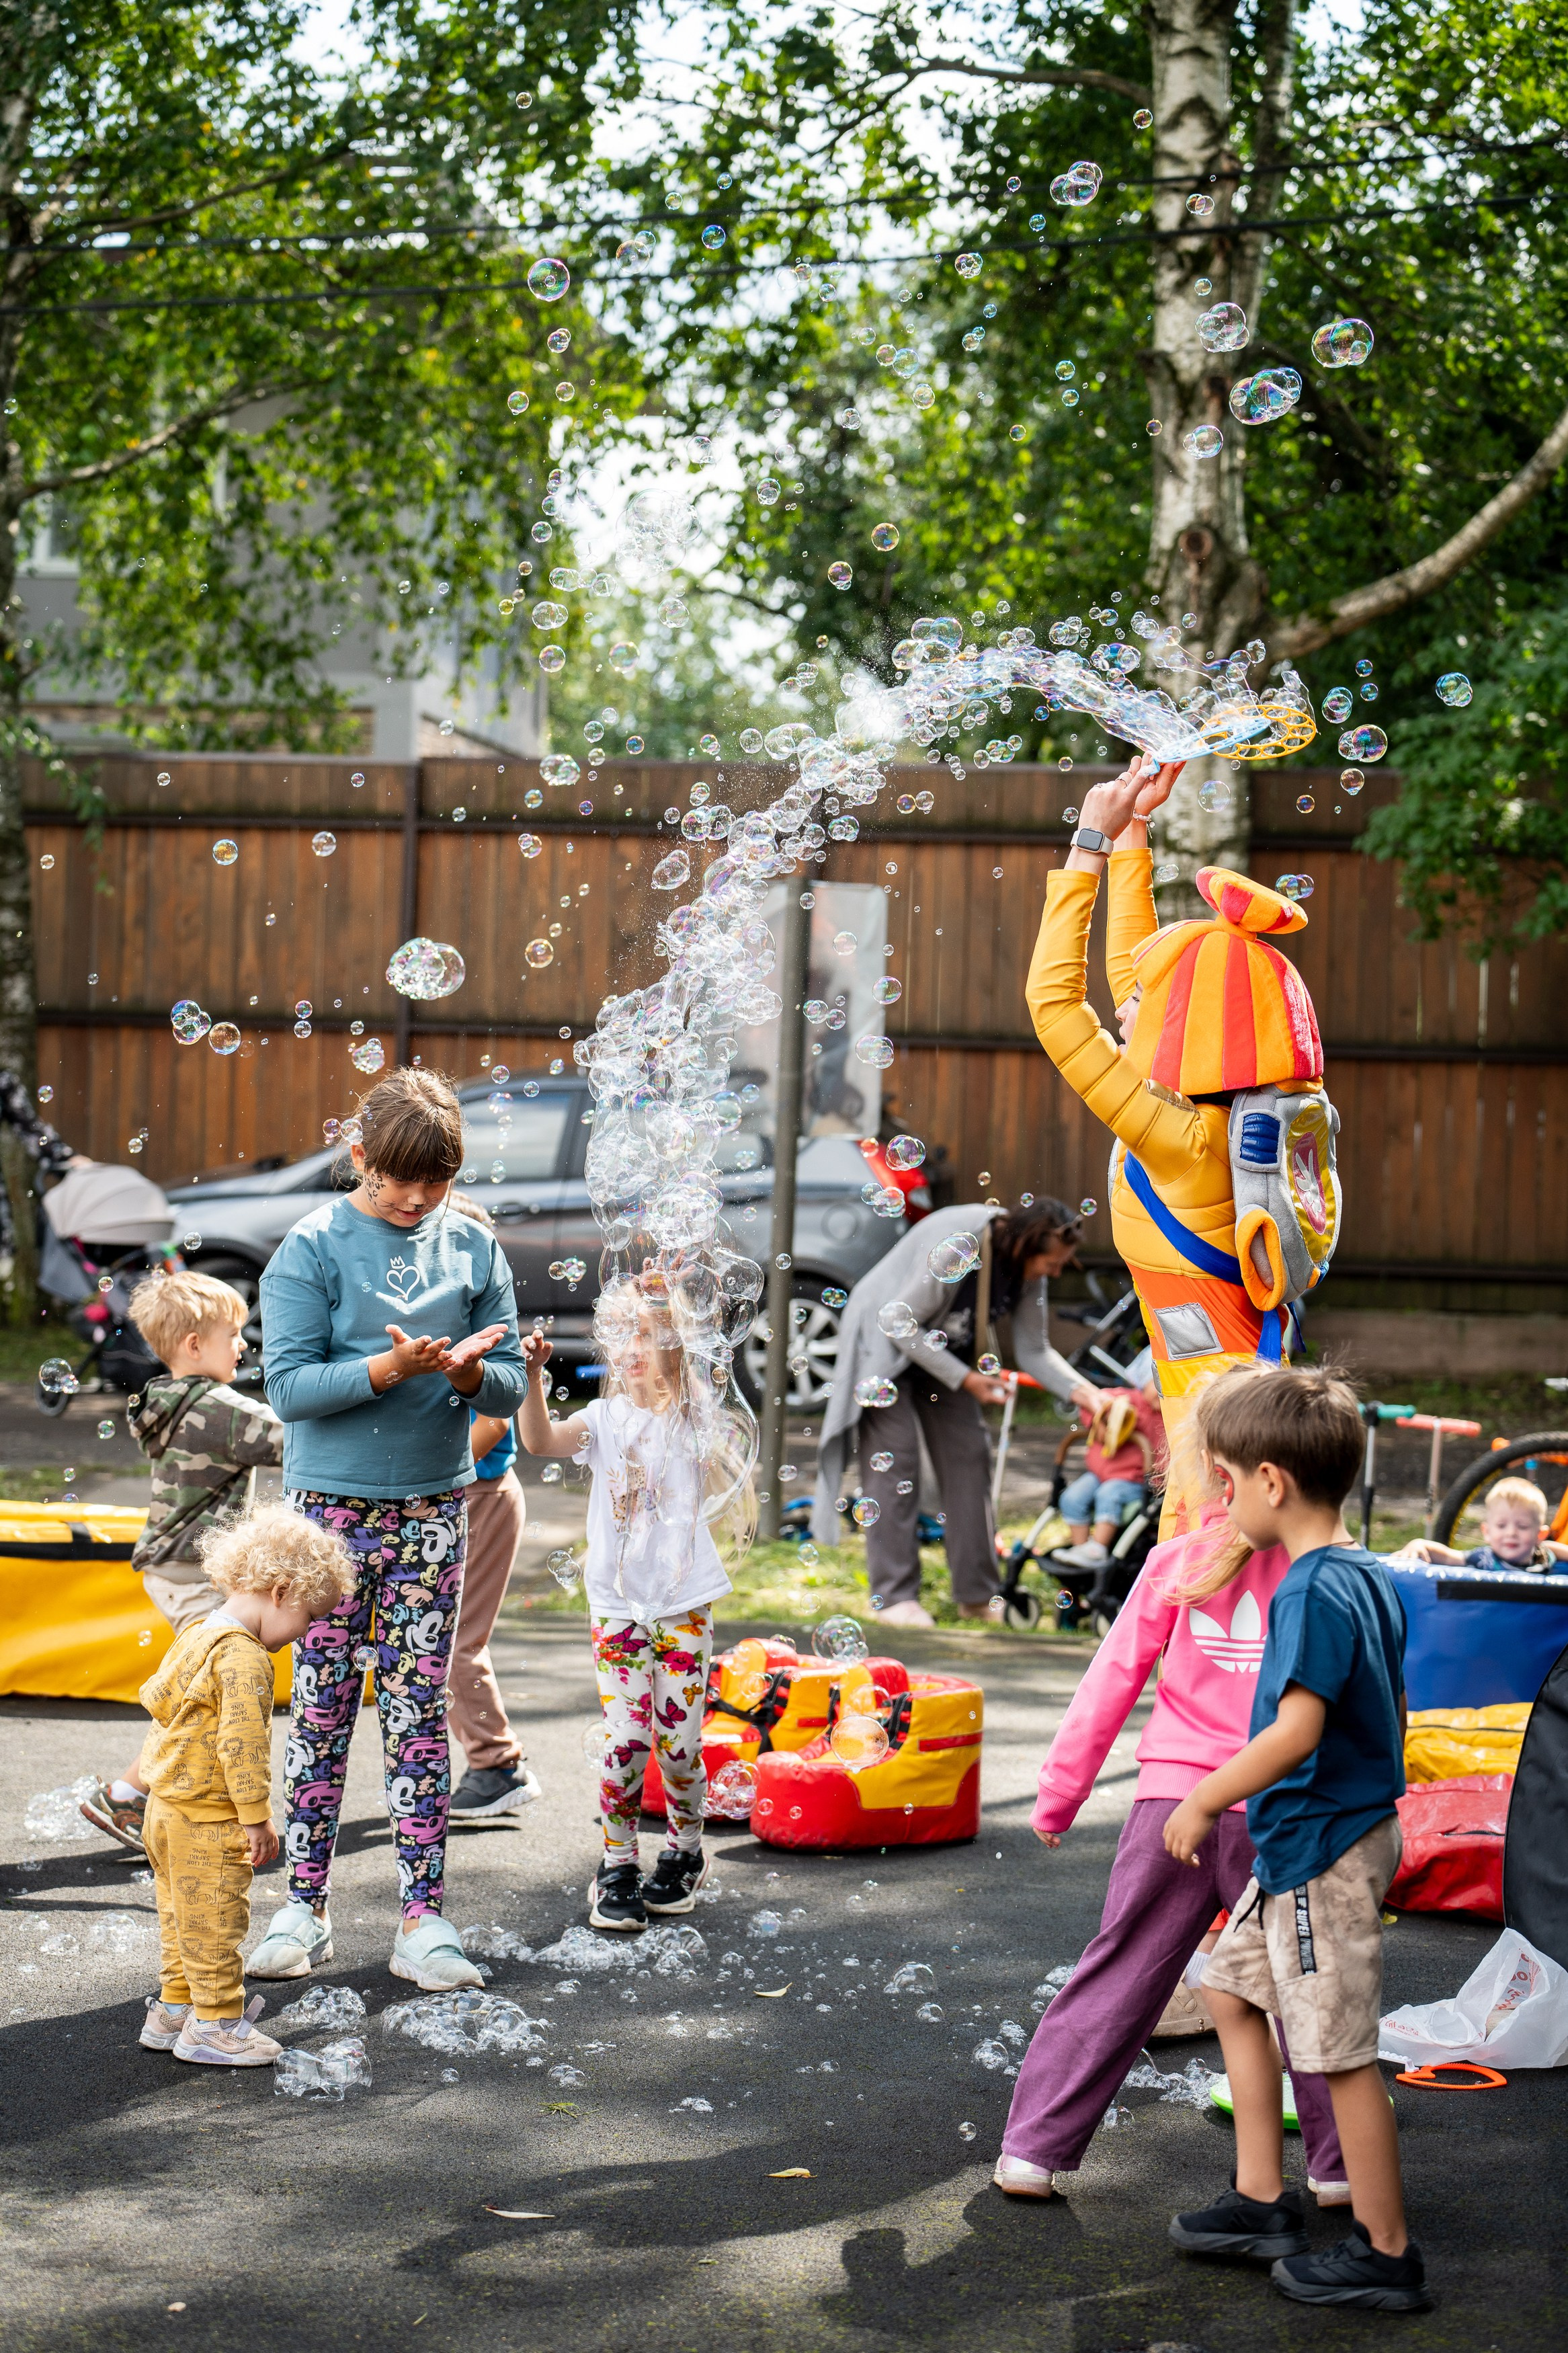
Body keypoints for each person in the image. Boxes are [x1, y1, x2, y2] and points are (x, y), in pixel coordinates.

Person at [994, 1380, 1347, 2207]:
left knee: (1119, 1970)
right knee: (1309, 1985)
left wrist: (1058, 1792)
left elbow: (1108, 1681)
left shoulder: (1175, 1558)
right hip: (1289, 1809)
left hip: (1173, 1806)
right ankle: (1335, 2169)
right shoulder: (1331, 1570)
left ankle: (1032, 2150)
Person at [249, 1068, 527, 1993]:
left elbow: (510, 1385)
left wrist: (460, 1378)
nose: (414, 1200)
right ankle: (305, 1905)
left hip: (435, 1509)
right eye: (397, 1180)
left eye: (435, 1183)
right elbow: (288, 1389)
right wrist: (386, 1368)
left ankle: (423, 1918)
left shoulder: (474, 1248)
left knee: (417, 1716)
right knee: (323, 1707)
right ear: (358, 1155)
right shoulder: (312, 1246)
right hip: (326, 1519)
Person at [1163, 1365, 1428, 2313]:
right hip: (1302, 1844)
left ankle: (1386, 2251)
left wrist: (1200, 1800)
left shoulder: (1313, 1591)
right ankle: (1261, 2201)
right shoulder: (1368, 1575)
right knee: (1231, 1989)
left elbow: (1295, 1732)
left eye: (1226, 1480)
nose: (1221, 1498)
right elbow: (1388, 1709)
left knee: (1336, 2051)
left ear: (1270, 1483)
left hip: (1322, 1851)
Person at [1027, 756, 1339, 1536]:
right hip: (1244, 1415)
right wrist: (1134, 834)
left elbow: (1053, 1005)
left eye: (1150, 1002)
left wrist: (1087, 844)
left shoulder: (1176, 1138)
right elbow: (1127, 977)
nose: (1129, 1006)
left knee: (1202, 1619)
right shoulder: (1219, 1111)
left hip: (1215, 1442)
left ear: (1187, 1031)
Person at [519, 1269, 751, 1933]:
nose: (631, 1347)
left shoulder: (691, 1414)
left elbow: (707, 1361)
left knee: (677, 1746)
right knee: (625, 1741)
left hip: (683, 1605)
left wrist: (673, 1305)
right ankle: (616, 1862)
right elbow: (539, 1441)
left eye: (645, 1335)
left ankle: (683, 1847)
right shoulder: (601, 1419)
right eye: (619, 1334)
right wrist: (533, 1378)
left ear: (674, 1345)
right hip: (617, 1609)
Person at [137, 1504, 356, 2069]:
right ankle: (215, 2027)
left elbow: (157, 1700)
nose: (309, 1631)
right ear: (281, 1591)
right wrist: (256, 1817)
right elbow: (243, 1747)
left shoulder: (198, 1632)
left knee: (179, 1917)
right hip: (208, 1817)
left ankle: (172, 2013)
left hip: (163, 1809)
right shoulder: (246, 1658)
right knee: (216, 1921)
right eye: (310, 1615)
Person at [811, 1195, 1098, 1625]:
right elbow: (896, 1320)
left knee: (969, 1455)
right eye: (1052, 1264)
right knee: (896, 1462)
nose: (1055, 1273)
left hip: (939, 1352)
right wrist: (966, 1379)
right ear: (1026, 1245)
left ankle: (978, 1596)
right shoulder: (962, 1244)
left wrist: (1089, 1394)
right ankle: (894, 1598)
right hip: (884, 1345)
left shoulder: (1030, 1271)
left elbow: (1035, 1351)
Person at [77, 1269, 285, 1855]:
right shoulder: (218, 1407)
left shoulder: (165, 1400)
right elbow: (294, 1441)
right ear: (196, 1346)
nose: (243, 1345)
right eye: (233, 1335)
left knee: (206, 1690)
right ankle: (128, 1794)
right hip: (193, 1572)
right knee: (208, 1693)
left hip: (173, 1567)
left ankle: (156, 1797)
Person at [447, 1397, 542, 1819]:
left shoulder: (471, 1332)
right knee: (439, 1639)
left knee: (452, 1640)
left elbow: (494, 1422)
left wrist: (421, 1472)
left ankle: (499, 1766)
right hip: (453, 1492)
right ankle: (491, 1762)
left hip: (478, 1492)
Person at [1054, 1372, 1166, 1569]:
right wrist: (1102, 1421)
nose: (1161, 1392)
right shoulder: (1124, 1398)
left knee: (1110, 1494)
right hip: (1099, 1474)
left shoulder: (1166, 1417)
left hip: (1134, 1480)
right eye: (1157, 1383)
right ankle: (1081, 1549)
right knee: (1071, 1498)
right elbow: (1092, 1402)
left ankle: (1097, 1549)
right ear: (1142, 1382)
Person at [1391, 1474, 1568, 1572]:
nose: (1511, 1533)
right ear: (1487, 1531)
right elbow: (1447, 1556)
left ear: (1540, 1534)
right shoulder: (1483, 1558)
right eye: (1501, 1526)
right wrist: (1420, 1545)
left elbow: (1553, 1547)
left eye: (1522, 1527)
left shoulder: (1543, 1555)